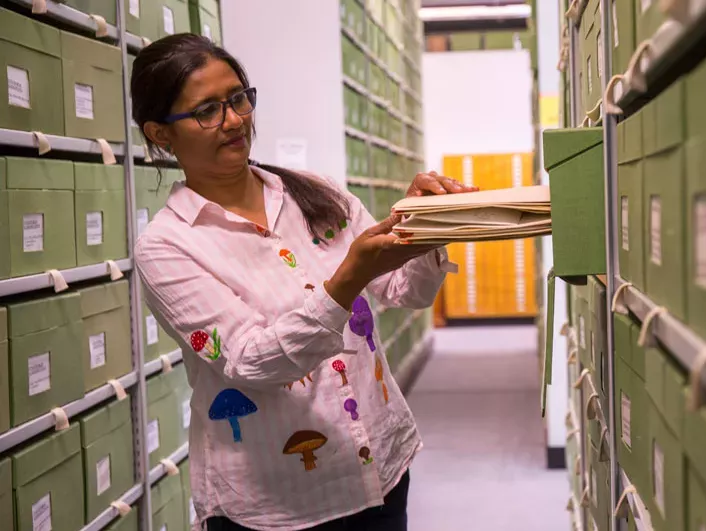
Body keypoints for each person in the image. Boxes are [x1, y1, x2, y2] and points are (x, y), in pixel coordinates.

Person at [130, 34, 477, 531]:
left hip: (380, 470)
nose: (234, 120)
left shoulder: (314, 193)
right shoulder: (168, 247)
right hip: (279, 506)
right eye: (207, 110)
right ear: (160, 134)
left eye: (238, 98)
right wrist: (347, 279)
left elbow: (407, 292)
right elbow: (251, 361)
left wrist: (424, 225)